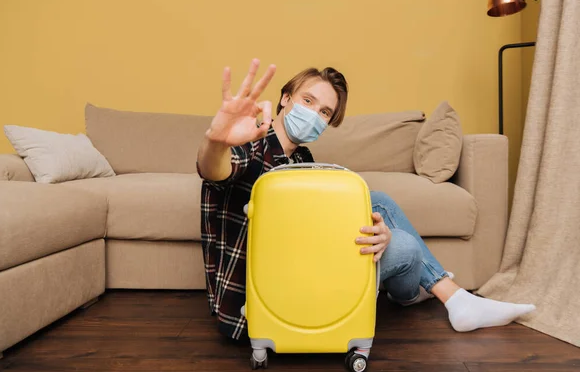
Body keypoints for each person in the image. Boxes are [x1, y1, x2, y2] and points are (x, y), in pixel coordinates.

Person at [196, 59, 536, 342]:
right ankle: (448, 297)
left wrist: (377, 236)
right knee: (403, 243)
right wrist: (217, 140)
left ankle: (448, 297)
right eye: (308, 101)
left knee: (394, 234)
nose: (315, 115)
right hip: (256, 307)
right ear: (285, 98)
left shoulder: (304, 160)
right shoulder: (248, 146)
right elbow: (214, 170)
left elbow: (315, 232)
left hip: (304, 273)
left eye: (325, 113)